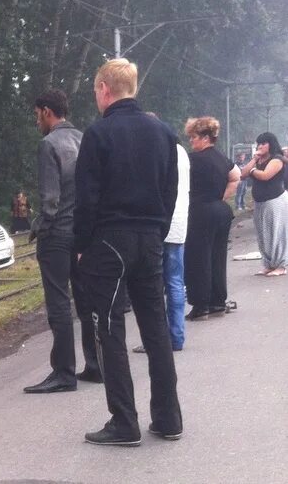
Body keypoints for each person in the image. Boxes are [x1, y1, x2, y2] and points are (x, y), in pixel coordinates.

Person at [74, 58, 182, 446]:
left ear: (105, 88)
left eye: (95, 91)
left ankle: (124, 422)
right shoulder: (164, 132)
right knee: (155, 327)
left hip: (109, 240)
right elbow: (170, 190)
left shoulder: (98, 134)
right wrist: (158, 231)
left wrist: (82, 246)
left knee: (109, 328)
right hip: (150, 238)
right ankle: (168, 419)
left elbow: (86, 199)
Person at [23, 89, 101, 395]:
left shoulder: (48, 144)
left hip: (57, 235)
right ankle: (96, 365)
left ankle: (63, 372)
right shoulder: (85, 139)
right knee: (86, 301)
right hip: (84, 234)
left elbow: (50, 200)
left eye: (36, 114)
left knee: (58, 302)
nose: (36, 121)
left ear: (45, 111)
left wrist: (38, 226)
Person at [134, 140, 190, 352]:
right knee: (176, 282)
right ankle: (176, 337)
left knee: (153, 284)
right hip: (179, 223)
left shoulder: (153, 148)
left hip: (157, 223)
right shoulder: (182, 152)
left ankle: (156, 340)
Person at [183, 117, 240, 321]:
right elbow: (236, 176)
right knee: (217, 256)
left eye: (194, 137)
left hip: (200, 211)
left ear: (206, 137)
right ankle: (217, 301)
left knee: (198, 257)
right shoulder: (222, 158)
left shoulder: (192, 159)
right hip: (220, 209)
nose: (191, 141)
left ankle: (200, 305)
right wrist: (222, 196)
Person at [240, 132, 288, 276]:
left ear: (270, 144)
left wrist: (253, 170)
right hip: (260, 202)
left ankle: (282, 265)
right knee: (263, 234)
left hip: (275, 201)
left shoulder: (277, 159)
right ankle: (268, 264)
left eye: (263, 143)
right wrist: (254, 160)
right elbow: (243, 174)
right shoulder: (258, 160)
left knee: (276, 234)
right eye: (259, 143)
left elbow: (266, 175)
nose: (260, 146)